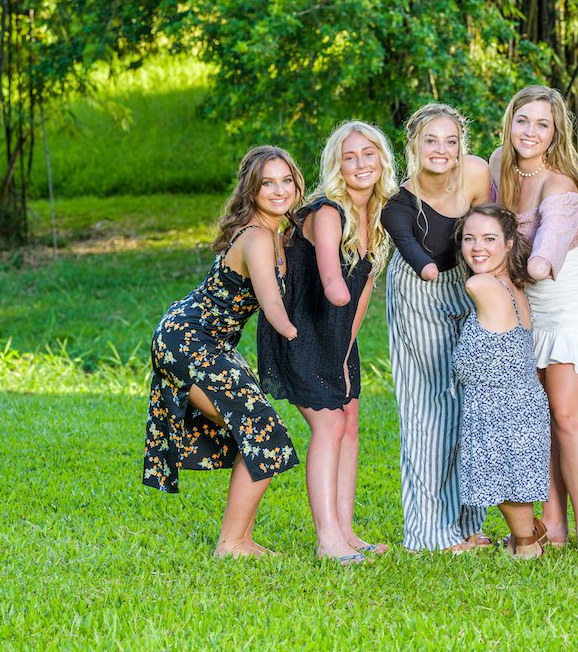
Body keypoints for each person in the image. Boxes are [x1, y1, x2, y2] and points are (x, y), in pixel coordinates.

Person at [143, 145, 304, 557]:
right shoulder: (256, 237)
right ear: (251, 190)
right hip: (189, 340)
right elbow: (272, 306)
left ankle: (239, 540)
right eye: (267, 183)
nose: (279, 190)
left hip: (202, 342)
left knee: (258, 431)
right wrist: (300, 339)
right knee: (262, 431)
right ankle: (232, 543)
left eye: (286, 180)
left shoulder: (275, 233)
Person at [257, 121, 397, 565]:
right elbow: (335, 282)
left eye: (368, 154)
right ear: (336, 164)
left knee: (349, 423)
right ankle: (326, 540)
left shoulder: (374, 215)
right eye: (349, 156)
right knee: (329, 426)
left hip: (337, 337)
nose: (360, 164)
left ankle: (345, 529)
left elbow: (364, 291)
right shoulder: (328, 212)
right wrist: (339, 294)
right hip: (301, 331)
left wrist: (346, 347)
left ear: (381, 160)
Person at [491, 85, 578, 557]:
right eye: (523, 120)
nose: (531, 132)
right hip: (523, 298)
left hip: (563, 297)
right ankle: (553, 526)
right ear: (510, 121)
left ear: (556, 131)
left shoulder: (560, 185)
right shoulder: (500, 163)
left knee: (566, 414)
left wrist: (492, 267)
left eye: (543, 124)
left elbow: (543, 260)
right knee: (537, 416)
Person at [381, 103, 493, 552]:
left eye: (451, 141)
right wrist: (435, 271)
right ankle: (430, 533)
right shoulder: (400, 202)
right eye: (431, 140)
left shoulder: (477, 174)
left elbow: (490, 232)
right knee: (431, 411)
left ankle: (468, 524)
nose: (441, 150)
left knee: (471, 409)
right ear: (414, 145)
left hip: (471, 286)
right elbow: (412, 249)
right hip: (419, 294)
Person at [452, 203, 551, 559]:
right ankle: (526, 536)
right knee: (512, 479)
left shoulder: (481, 284)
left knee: (505, 480)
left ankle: (526, 543)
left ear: (509, 243)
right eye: (469, 238)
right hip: (519, 400)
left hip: (502, 404)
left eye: (489, 239)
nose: (477, 247)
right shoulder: (513, 286)